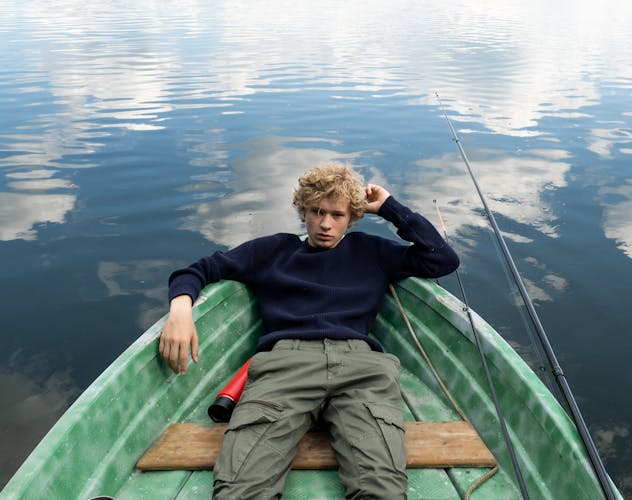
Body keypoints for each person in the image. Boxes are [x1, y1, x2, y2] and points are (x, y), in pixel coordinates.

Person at [159, 163, 459, 499]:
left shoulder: (371, 251)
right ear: (303, 211)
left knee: (383, 490)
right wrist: (181, 309)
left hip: (362, 369)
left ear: (353, 218)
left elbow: (442, 259)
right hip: (286, 366)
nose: (326, 224)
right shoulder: (274, 251)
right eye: (317, 212)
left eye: (337, 214)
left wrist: (390, 208)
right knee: (239, 490)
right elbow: (203, 268)